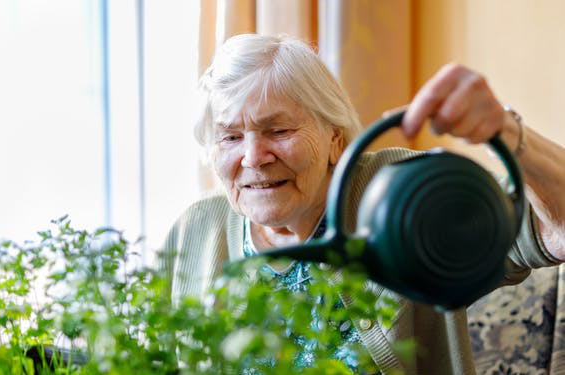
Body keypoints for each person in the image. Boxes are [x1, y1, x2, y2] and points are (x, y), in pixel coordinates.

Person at [159, 34, 565, 374]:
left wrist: (507, 134)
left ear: (335, 139)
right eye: (230, 137)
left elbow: (556, 233)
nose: (252, 156)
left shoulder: (399, 197)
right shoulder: (196, 231)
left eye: (278, 129)